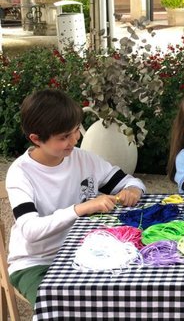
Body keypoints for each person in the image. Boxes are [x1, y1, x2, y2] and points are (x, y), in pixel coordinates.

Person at [6, 89, 145, 306]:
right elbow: (30, 231)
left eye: (75, 131)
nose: (74, 140)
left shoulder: (81, 159)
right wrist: (81, 208)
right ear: (36, 139)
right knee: (58, 308)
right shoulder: (21, 173)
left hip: (81, 251)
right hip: (36, 263)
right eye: (64, 137)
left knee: (122, 295)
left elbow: (131, 182)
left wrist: (133, 191)